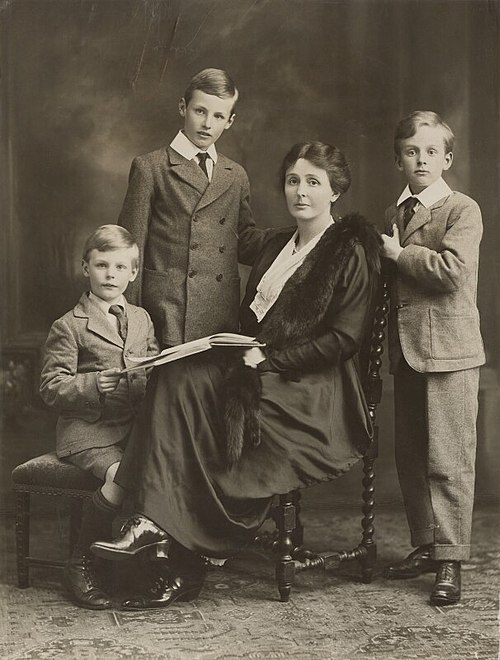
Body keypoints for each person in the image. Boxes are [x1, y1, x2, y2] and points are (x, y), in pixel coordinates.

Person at [90, 141, 382, 610]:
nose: (300, 192)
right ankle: (155, 529)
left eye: (313, 182)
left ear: (335, 191)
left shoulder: (347, 251)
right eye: (292, 180)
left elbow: (342, 341)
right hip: (258, 364)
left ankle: (154, 527)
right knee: (174, 376)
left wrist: (270, 361)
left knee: (201, 397)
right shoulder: (275, 245)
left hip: (314, 388)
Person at [380, 111, 485, 606]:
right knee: (411, 455)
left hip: (449, 350)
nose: (420, 160)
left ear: (446, 159)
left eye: (430, 152)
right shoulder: (395, 213)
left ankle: (451, 560)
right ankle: (426, 543)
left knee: (449, 458)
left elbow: (451, 272)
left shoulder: (462, 209)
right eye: (410, 151)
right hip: (408, 351)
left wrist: (398, 255)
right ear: (399, 157)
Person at [39, 225, 159, 609]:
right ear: (85, 268)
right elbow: (49, 388)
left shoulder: (141, 318)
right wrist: (91, 384)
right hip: (87, 432)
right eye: (102, 265)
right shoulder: (69, 325)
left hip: (131, 427)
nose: (111, 274)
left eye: (120, 267)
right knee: (120, 474)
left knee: (164, 468)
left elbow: (151, 366)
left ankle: (146, 564)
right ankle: (81, 563)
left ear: (133, 273)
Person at [118, 67, 267, 348]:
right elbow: (129, 250)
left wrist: (299, 237)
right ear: (183, 107)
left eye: (219, 116)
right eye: (200, 111)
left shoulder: (235, 175)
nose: (207, 124)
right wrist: (131, 321)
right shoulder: (151, 168)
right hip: (167, 313)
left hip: (220, 316)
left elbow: (245, 243)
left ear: (230, 121)